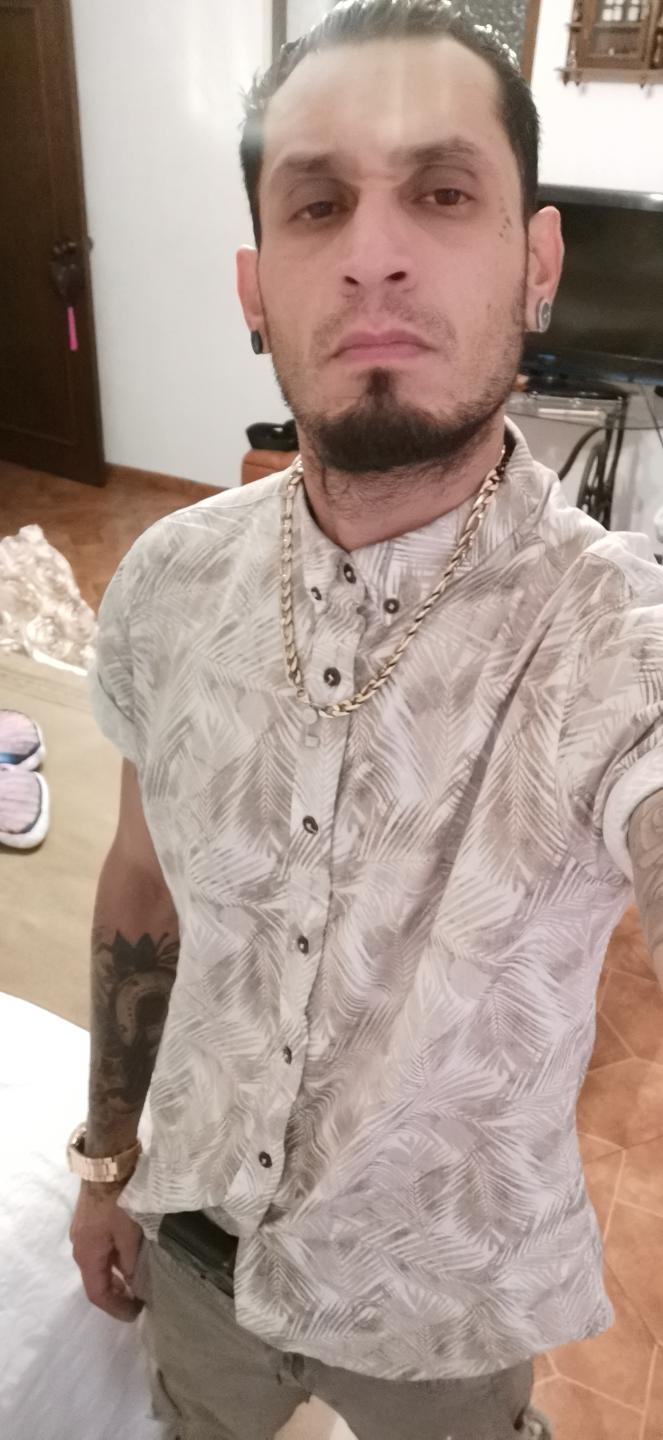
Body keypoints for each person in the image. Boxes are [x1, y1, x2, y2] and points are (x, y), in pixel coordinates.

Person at [68, 3, 663, 1438]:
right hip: (195, 1251)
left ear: (537, 265)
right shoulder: (168, 580)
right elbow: (142, 883)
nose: (374, 251)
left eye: (442, 193)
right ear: (254, 286)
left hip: (441, 1311)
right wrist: (109, 1157)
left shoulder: (616, 636)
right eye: (318, 203)